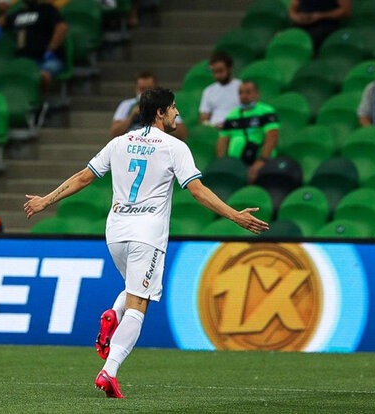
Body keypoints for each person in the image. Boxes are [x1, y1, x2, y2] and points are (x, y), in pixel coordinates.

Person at [23, 87, 269, 399]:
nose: (177, 113)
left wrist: (46, 200)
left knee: (132, 290)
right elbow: (197, 191)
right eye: (173, 108)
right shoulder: (174, 147)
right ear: (160, 113)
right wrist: (234, 216)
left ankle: (113, 315)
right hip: (147, 234)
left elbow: (84, 177)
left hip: (116, 232)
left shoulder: (119, 142)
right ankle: (109, 371)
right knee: (139, 304)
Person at [0, 0, 69, 93]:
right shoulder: (17, 14)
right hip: (25, 61)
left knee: (43, 76)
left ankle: (37, 97)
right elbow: (3, 20)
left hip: (48, 60)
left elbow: (61, 27)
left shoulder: (47, 9)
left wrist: (51, 48)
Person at [216, 80, 280, 184]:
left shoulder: (266, 111)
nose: (244, 96)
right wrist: (223, 163)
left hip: (258, 162)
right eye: (241, 93)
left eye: (248, 92)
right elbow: (222, 140)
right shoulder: (232, 115)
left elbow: (272, 137)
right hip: (235, 164)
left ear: (257, 94)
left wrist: (262, 160)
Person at [111, 71, 188, 140]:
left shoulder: (165, 105)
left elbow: (182, 134)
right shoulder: (126, 105)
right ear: (136, 88)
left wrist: (162, 116)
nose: (145, 92)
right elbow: (114, 133)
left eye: (149, 89)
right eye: (142, 89)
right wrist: (132, 115)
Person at [198, 51, 242, 129]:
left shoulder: (241, 87)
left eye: (221, 71)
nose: (217, 75)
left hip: (236, 128)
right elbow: (204, 118)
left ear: (229, 69)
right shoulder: (208, 91)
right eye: (214, 72)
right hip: (214, 129)